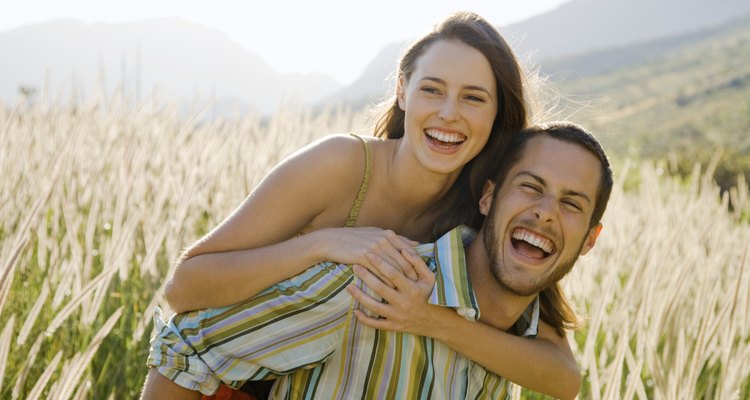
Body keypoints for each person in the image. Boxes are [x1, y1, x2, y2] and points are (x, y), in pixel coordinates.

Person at [148, 11, 580, 399]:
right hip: (221, 383)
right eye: (432, 90)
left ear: (497, 114)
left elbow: (562, 375)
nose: (449, 113)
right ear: (403, 92)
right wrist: (323, 243)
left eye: (473, 98)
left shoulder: (482, 208)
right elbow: (183, 287)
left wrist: (431, 321)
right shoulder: (339, 167)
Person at [141, 121, 613, 399]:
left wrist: (434, 322)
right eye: (530, 186)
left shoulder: (525, 336)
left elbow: (565, 380)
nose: (546, 213)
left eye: (571, 203)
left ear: (590, 240)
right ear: (488, 198)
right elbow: (189, 348)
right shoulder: (373, 284)